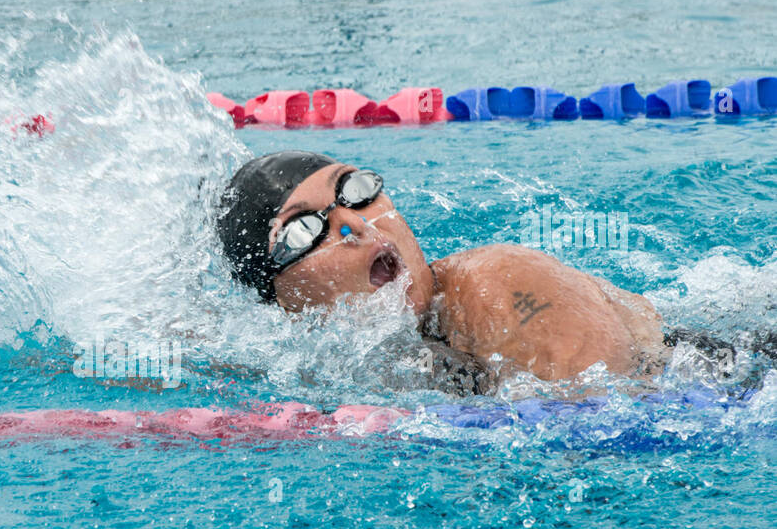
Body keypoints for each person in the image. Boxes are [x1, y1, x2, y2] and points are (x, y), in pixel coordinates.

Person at [216, 150, 737, 392]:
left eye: (355, 189)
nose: (355, 224)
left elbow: (612, 418)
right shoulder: (302, 363)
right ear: (281, 296)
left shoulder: (500, 283)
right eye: (306, 229)